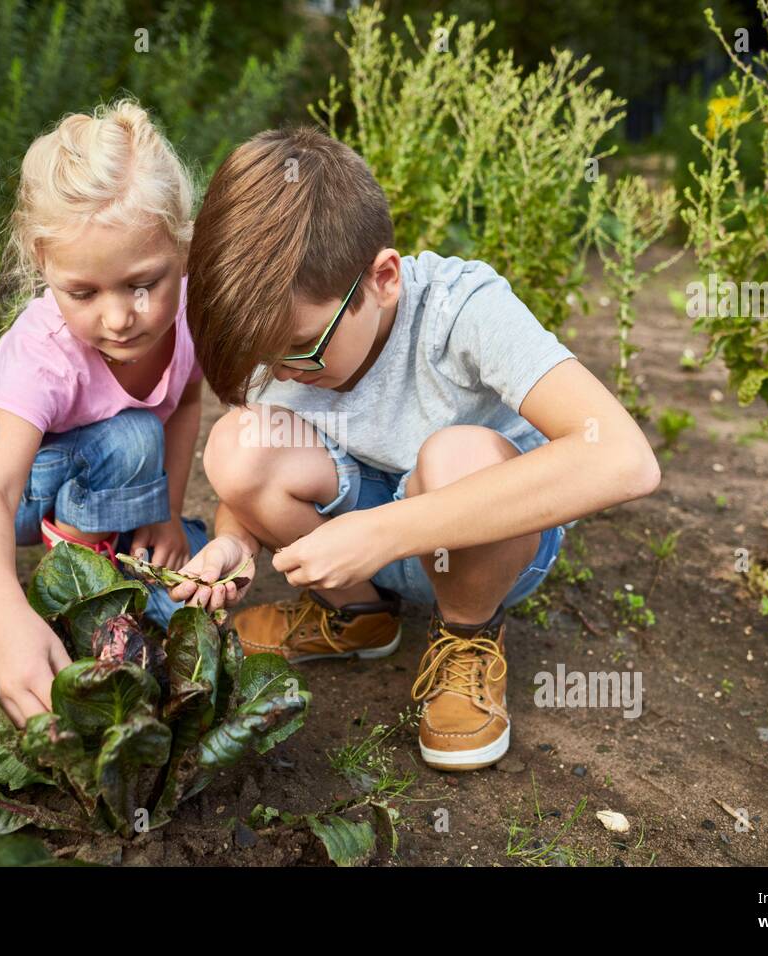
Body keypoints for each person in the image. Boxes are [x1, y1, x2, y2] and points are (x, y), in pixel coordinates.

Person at [167, 126, 661, 771]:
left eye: (302, 349)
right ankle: (358, 619)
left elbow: (623, 458)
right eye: (263, 357)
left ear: (384, 278)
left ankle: (467, 639)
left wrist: (386, 530)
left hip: (489, 544)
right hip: (363, 541)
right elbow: (264, 449)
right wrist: (236, 540)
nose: (282, 371)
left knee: (460, 454)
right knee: (240, 442)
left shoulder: (463, 309)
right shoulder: (278, 333)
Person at [0, 99, 208, 729]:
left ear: (186, 251)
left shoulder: (191, 313)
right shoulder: (43, 355)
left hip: (96, 478)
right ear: (43, 264)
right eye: (83, 293)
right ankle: (78, 582)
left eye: (144, 285)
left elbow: (189, 398)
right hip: (23, 495)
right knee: (135, 435)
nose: (117, 318)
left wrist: (165, 512)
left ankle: (124, 555)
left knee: (186, 554)